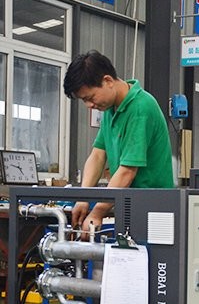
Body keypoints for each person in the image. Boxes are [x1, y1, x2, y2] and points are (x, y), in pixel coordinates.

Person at [63, 50, 174, 236]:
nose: (89, 105)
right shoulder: (110, 110)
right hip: (129, 203)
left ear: (108, 81)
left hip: (154, 208)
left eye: (90, 98)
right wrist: (83, 198)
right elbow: (97, 155)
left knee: (151, 254)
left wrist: (97, 212)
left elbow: (127, 171)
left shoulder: (141, 107)